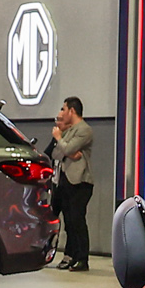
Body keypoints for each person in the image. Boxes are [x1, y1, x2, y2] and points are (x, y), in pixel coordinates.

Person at [46, 96, 97, 270]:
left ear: (72, 111)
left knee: (77, 220)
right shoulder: (69, 131)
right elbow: (56, 153)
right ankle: (73, 255)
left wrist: (60, 140)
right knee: (69, 221)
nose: (62, 112)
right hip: (65, 181)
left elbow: (66, 148)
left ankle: (83, 258)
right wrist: (68, 150)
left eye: (64, 109)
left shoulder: (84, 130)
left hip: (80, 181)